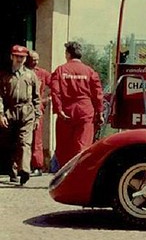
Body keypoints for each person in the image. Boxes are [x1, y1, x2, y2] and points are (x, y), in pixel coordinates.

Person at [50, 41, 104, 168]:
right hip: (85, 111)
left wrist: (59, 109)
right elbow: (98, 94)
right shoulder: (90, 71)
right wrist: (100, 112)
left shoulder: (60, 70)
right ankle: (80, 174)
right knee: (83, 146)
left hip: (67, 111)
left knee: (64, 148)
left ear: (68, 54)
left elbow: (55, 91)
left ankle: (65, 176)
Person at [0, 45, 41, 185]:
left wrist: (37, 116)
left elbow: (37, 97)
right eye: (17, 56)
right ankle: (12, 171)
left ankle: (24, 171)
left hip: (26, 111)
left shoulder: (31, 75)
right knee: (10, 143)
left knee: (25, 142)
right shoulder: (4, 75)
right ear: (12, 57)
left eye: (22, 57)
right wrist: (1, 114)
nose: (19, 59)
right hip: (9, 111)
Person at [26, 50, 51, 176]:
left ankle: (37, 165)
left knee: (37, 137)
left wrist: (46, 100)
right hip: (23, 107)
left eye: (36, 59)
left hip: (36, 108)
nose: (35, 62)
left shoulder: (43, 73)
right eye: (32, 59)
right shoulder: (22, 72)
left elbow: (55, 87)